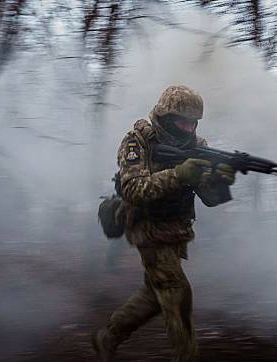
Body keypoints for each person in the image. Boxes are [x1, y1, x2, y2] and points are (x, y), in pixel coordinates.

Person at [92, 85, 236, 361]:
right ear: (167, 118)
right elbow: (134, 189)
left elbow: (210, 198)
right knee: (177, 294)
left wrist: (220, 180)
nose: (189, 127)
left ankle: (108, 337)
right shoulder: (137, 142)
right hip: (145, 226)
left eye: (194, 122)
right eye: (183, 121)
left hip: (176, 229)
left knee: (154, 294)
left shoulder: (197, 146)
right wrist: (180, 175)